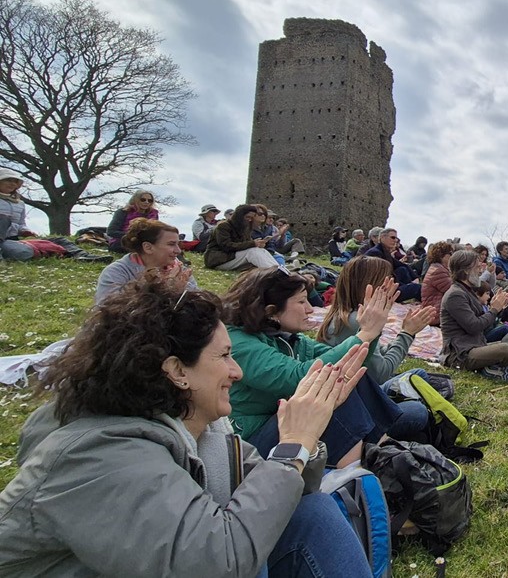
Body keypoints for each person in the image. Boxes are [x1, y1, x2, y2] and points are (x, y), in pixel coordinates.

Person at [0, 279, 375, 577]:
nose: (236, 372)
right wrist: (292, 445)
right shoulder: (97, 455)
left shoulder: (203, 428)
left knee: (311, 514)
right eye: (224, 356)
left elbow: (288, 491)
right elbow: (216, 564)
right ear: (177, 371)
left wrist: (303, 443)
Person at [223, 268, 429, 467]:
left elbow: (350, 363)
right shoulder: (238, 343)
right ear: (271, 311)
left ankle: (382, 453)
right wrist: (368, 333)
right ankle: (377, 459)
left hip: (293, 423)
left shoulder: (288, 338)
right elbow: (299, 378)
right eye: (301, 302)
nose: (310, 309)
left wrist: (372, 331)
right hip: (252, 443)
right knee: (334, 384)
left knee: (409, 402)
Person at [318, 256, 436, 385]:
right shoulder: (355, 321)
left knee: (422, 377)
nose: (392, 287)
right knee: (419, 376)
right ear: (369, 287)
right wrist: (407, 334)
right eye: (386, 283)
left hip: (351, 385)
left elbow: (378, 354)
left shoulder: (345, 315)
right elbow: (381, 374)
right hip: (356, 390)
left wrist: (404, 334)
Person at [439, 249, 508, 381]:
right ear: (466, 270)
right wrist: (494, 310)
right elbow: (474, 326)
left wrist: (498, 307)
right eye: (477, 267)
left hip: (476, 345)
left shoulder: (467, 291)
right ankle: (492, 368)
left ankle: (496, 367)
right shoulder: (455, 295)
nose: (480, 271)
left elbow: (484, 325)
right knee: (505, 350)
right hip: (460, 354)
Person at [95, 218, 199, 305]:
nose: (178, 250)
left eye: (178, 244)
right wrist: (160, 286)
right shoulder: (117, 272)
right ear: (148, 247)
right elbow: (105, 310)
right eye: (171, 244)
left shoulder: (179, 271)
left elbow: (199, 308)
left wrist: (180, 287)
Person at [204, 203, 279, 271]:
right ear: (239, 216)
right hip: (219, 260)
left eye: (251, 218)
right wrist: (253, 243)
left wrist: (258, 244)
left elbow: (247, 244)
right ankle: (273, 272)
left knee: (262, 250)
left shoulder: (245, 228)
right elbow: (226, 246)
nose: (250, 220)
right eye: (247, 217)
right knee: (252, 252)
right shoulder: (223, 226)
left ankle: (279, 270)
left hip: (232, 258)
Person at [364, 228, 421, 302]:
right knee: (416, 288)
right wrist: (405, 285)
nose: (396, 240)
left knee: (402, 269)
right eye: (393, 237)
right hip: (380, 290)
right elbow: (381, 278)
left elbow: (401, 264)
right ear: (382, 237)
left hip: (388, 283)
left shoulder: (383, 251)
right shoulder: (375, 253)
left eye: (396, 238)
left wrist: (415, 277)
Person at [0, 168, 36, 262]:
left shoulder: (20, 203)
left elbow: (20, 223)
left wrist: (25, 231)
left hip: (9, 240)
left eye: (15, 181)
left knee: (24, 252)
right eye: (8, 180)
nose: (12, 184)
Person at [419, 241, 455, 326]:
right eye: (450, 253)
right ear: (441, 255)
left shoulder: (438, 268)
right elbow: (453, 290)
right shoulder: (438, 271)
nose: (452, 256)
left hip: (435, 312)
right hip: (436, 315)